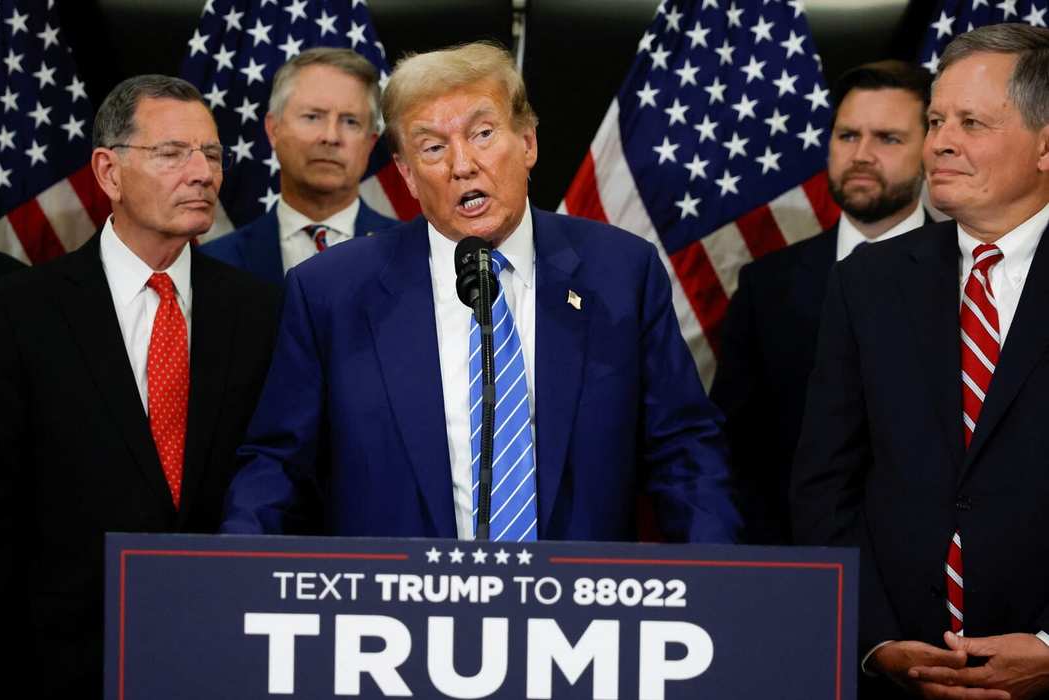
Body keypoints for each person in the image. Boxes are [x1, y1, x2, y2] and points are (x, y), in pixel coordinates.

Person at [223, 42, 740, 543]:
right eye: (433, 147)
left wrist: (717, 573)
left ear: (528, 142)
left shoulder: (620, 273)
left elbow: (683, 449)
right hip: (401, 594)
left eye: (483, 134)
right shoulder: (332, 292)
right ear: (407, 174)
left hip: (577, 594)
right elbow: (277, 463)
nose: (462, 164)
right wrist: (235, 565)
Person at [0, 75, 280, 698]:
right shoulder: (16, 314)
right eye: (172, 153)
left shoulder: (262, 312)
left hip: (226, 653)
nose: (202, 174)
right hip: (62, 665)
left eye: (211, 154)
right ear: (109, 172)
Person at [793, 24, 1049, 699]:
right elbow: (825, 486)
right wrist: (874, 642)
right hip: (895, 676)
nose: (939, 143)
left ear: (1045, 145)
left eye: (971, 122)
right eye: (936, 121)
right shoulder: (866, 282)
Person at [711, 60, 931, 545]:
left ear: (930, 148)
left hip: (942, 570)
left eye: (888, 138)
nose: (862, 155)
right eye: (848, 136)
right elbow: (734, 448)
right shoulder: (767, 287)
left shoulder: (970, 274)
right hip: (795, 561)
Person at [199, 47, 398, 284]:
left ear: (370, 143)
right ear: (273, 130)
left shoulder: (412, 254)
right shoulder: (214, 262)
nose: (331, 137)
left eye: (350, 121)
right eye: (313, 117)